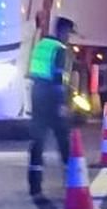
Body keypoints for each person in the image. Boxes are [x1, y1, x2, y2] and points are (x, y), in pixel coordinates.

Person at [27, 17, 76, 196]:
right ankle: (73, 182)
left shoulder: (42, 45)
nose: (69, 38)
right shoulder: (60, 50)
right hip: (51, 98)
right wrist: (62, 104)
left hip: (37, 94)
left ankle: (35, 185)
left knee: (38, 141)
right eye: (69, 33)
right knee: (63, 139)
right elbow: (58, 80)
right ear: (63, 31)